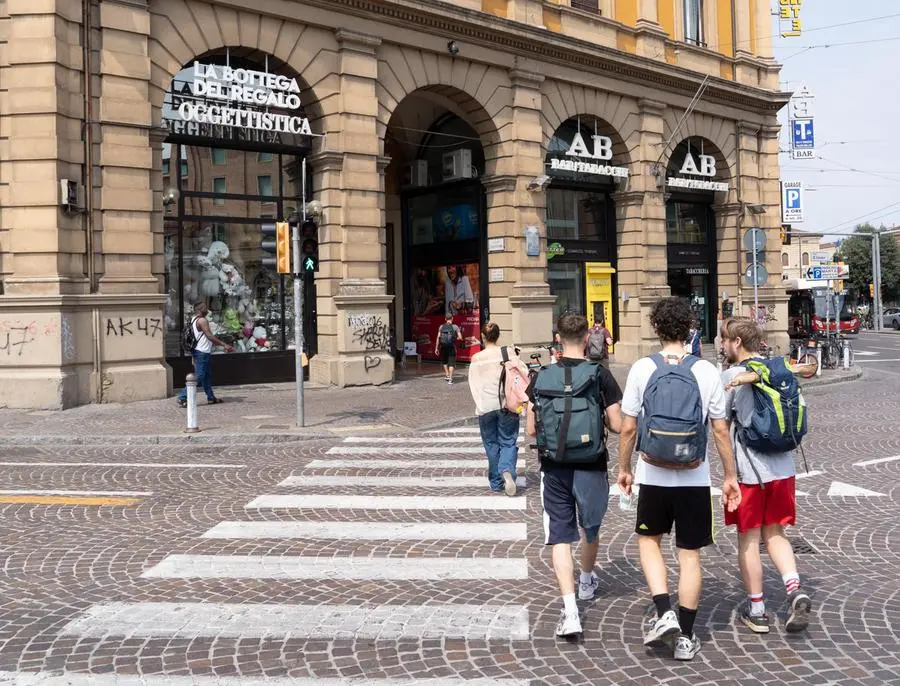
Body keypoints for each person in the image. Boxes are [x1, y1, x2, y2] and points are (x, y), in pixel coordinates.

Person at [616, 296, 741, 661]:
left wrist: (624, 469)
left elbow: (627, 429)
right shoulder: (705, 372)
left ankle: (663, 612)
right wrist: (730, 476)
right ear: (690, 329)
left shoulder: (641, 368)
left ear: (656, 329)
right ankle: (685, 637)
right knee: (690, 555)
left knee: (648, 541)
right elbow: (720, 431)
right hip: (694, 476)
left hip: (652, 473)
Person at [526, 313, 623, 638]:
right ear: (585, 339)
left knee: (560, 535)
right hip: (591, 464)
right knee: (590, 528)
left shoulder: (540, 376)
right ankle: (586, 582)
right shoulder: (600, 374)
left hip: (554, 467)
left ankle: (570, 613)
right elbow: (617, 425)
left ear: (557, 339)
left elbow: (530, 429)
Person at [719, 317, 813, 635]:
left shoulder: (733, 375)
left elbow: (720, 423)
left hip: (749, 473)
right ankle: (793, 588)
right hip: (783, 469)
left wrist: (727, 473)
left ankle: (757, 610)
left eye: (724, 340)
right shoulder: (781, 370)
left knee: (748, 539)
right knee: (775, 534)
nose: (721, 345)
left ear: (736, 343)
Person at [467, 322, 528, 495]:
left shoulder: (477, 358)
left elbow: (474, 384)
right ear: (498, 336)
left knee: (491, 444)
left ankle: (495, 482)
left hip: (486, 406)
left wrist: (480, 404)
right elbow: (522, 372)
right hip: (507, 404)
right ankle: (507, 472)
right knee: (508, 441)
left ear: (483, 337)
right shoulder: (507, 352)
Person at [177, 302, 234, 407]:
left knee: (207, 376)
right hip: (201, 352)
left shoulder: (194, 319)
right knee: (199, 376)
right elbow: (209, 336)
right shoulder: (202, 320)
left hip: (200, 351)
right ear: (199, 310)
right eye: (204, 307)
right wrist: (224, 345)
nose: (206, 308)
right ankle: (182, 397)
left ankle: (211, 397)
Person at [434, 313, 462, 383]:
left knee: (445, 361)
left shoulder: (441, 327)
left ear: (445, 319)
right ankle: (450, 379)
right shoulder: (455, 327)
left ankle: (447, 375)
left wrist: (436, 348)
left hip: (443, 347)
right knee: (451, 363)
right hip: (451, 347)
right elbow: (460, 338)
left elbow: (438, 338)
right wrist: (455, 338)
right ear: (452, 318)